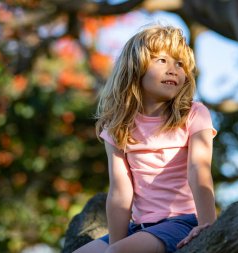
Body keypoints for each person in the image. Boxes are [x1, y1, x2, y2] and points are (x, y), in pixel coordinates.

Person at [74, 24, 217, 253]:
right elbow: (120, 192)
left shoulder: (193, 114)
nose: (173, 69)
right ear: (135, 68)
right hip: (139, 228)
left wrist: (208, 227)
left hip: (183, 222)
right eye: (161, 60)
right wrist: (116, 244)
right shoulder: (118, 126)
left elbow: (198, 169)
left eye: (179, 64)